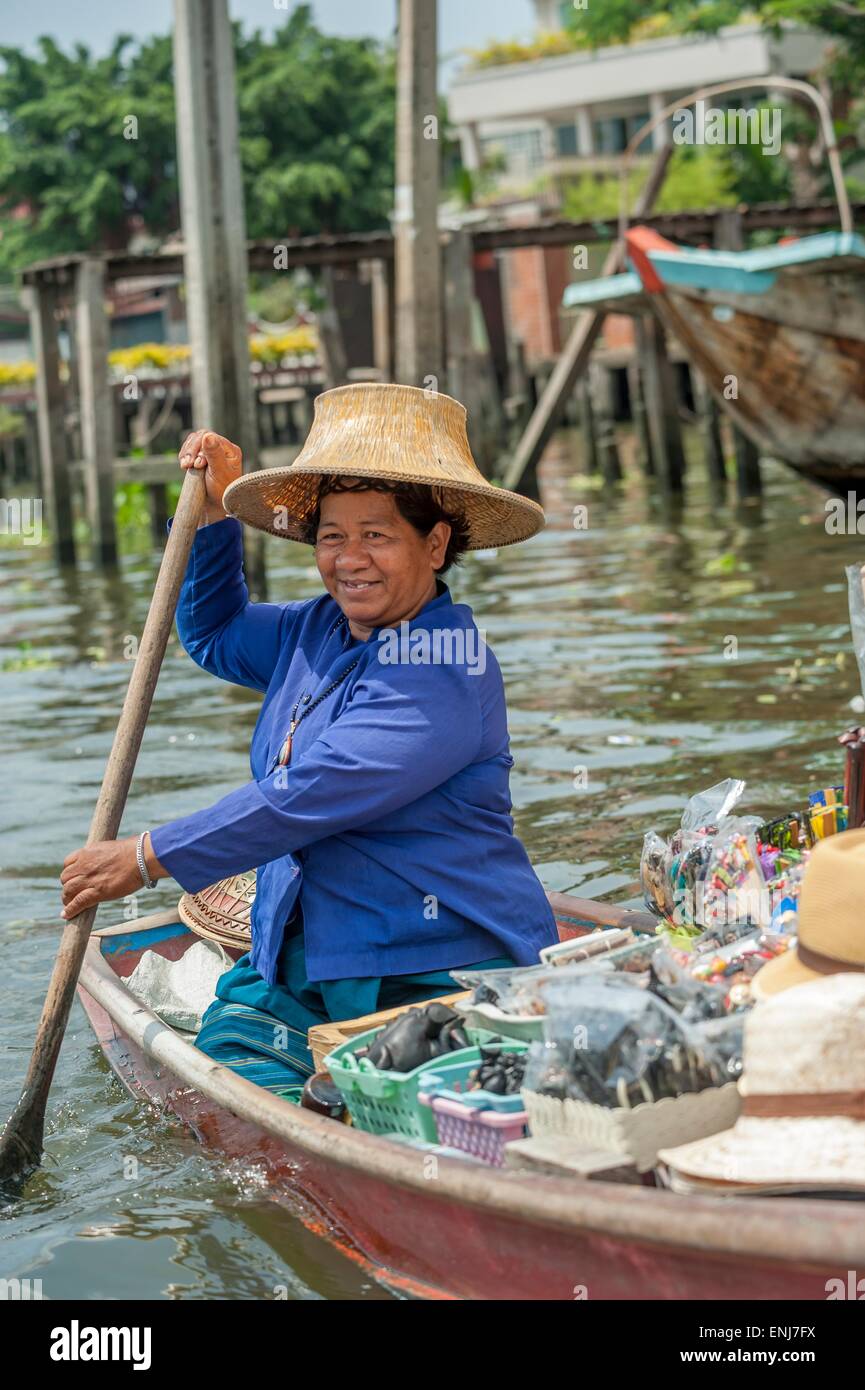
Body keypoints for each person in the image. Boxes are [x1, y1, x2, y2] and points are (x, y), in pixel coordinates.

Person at [60, 383, 558, 1095]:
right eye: (332, 535)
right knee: (234, 1073)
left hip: (434, 966)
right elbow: (215, 635)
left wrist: (147, 857)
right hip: (300, 956)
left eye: (377, 535)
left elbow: (309, 793)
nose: (349, 559)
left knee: (376, 1098)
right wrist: (208, 520)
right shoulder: (314, 628)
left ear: (436, 542)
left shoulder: (445, 665)